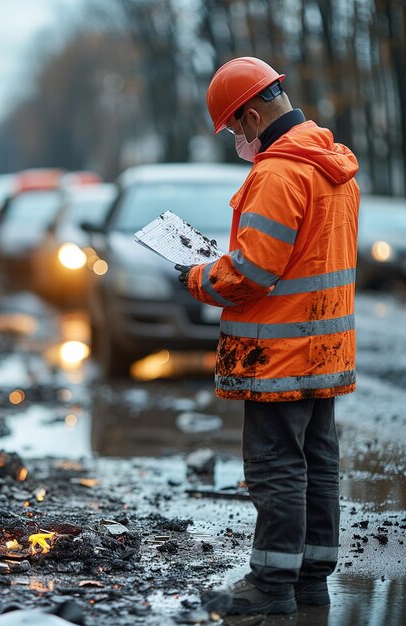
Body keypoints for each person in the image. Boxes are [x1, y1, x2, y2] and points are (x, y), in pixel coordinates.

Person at [175, 56, 360, 615]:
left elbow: (251, 273)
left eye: (235, 127)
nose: (237, 138)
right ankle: (310, 581)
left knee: (276, 467)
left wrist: (197, 274)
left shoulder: (278, 174)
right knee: (317, 463)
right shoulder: (332, 166)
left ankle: (271, 586)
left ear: (252, 116)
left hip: (277, 350)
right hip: (324, 349)